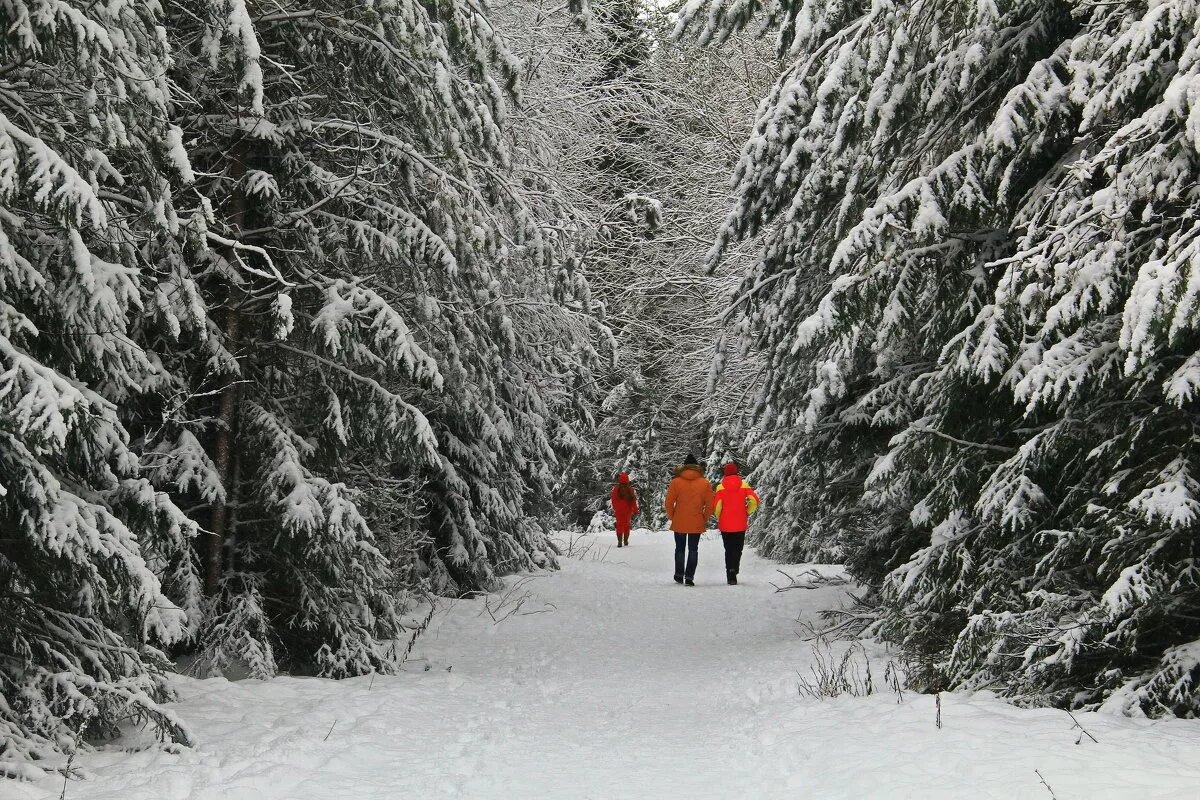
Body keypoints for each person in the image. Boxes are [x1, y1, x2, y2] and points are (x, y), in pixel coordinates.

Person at [664, 453, 715, 586]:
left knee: (679, 549)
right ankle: (689, 577)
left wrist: (673, 516)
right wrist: (704, 518)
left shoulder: (676, 482)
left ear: (684, 467)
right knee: (693, 549)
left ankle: (679, 575)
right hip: (696, 521)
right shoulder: (705, 483)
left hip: (680, 520)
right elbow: (710, 505)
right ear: (697, 467)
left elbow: (668, 503)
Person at [713, 462, 760, 585]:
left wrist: (720, 516)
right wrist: (747, 511)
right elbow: (754, 501)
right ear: (736, 472)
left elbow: (717, 506)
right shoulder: (744, 485)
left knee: (728, 549)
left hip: (725, 524)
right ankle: (735, 568)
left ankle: (730, 573)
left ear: (725, 473)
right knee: (738, 548)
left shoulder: (720, 487)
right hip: (740, 522)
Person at [610, 472, 638, 548]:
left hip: (619, 510)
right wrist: (635, 510)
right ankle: (625, 540)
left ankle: (619, 541)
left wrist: (615, 507)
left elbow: (613, 499)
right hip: (627, 510)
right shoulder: (630, 489)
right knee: (626, 525)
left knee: (619, 525)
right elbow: (633, 501)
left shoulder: (616, 489)